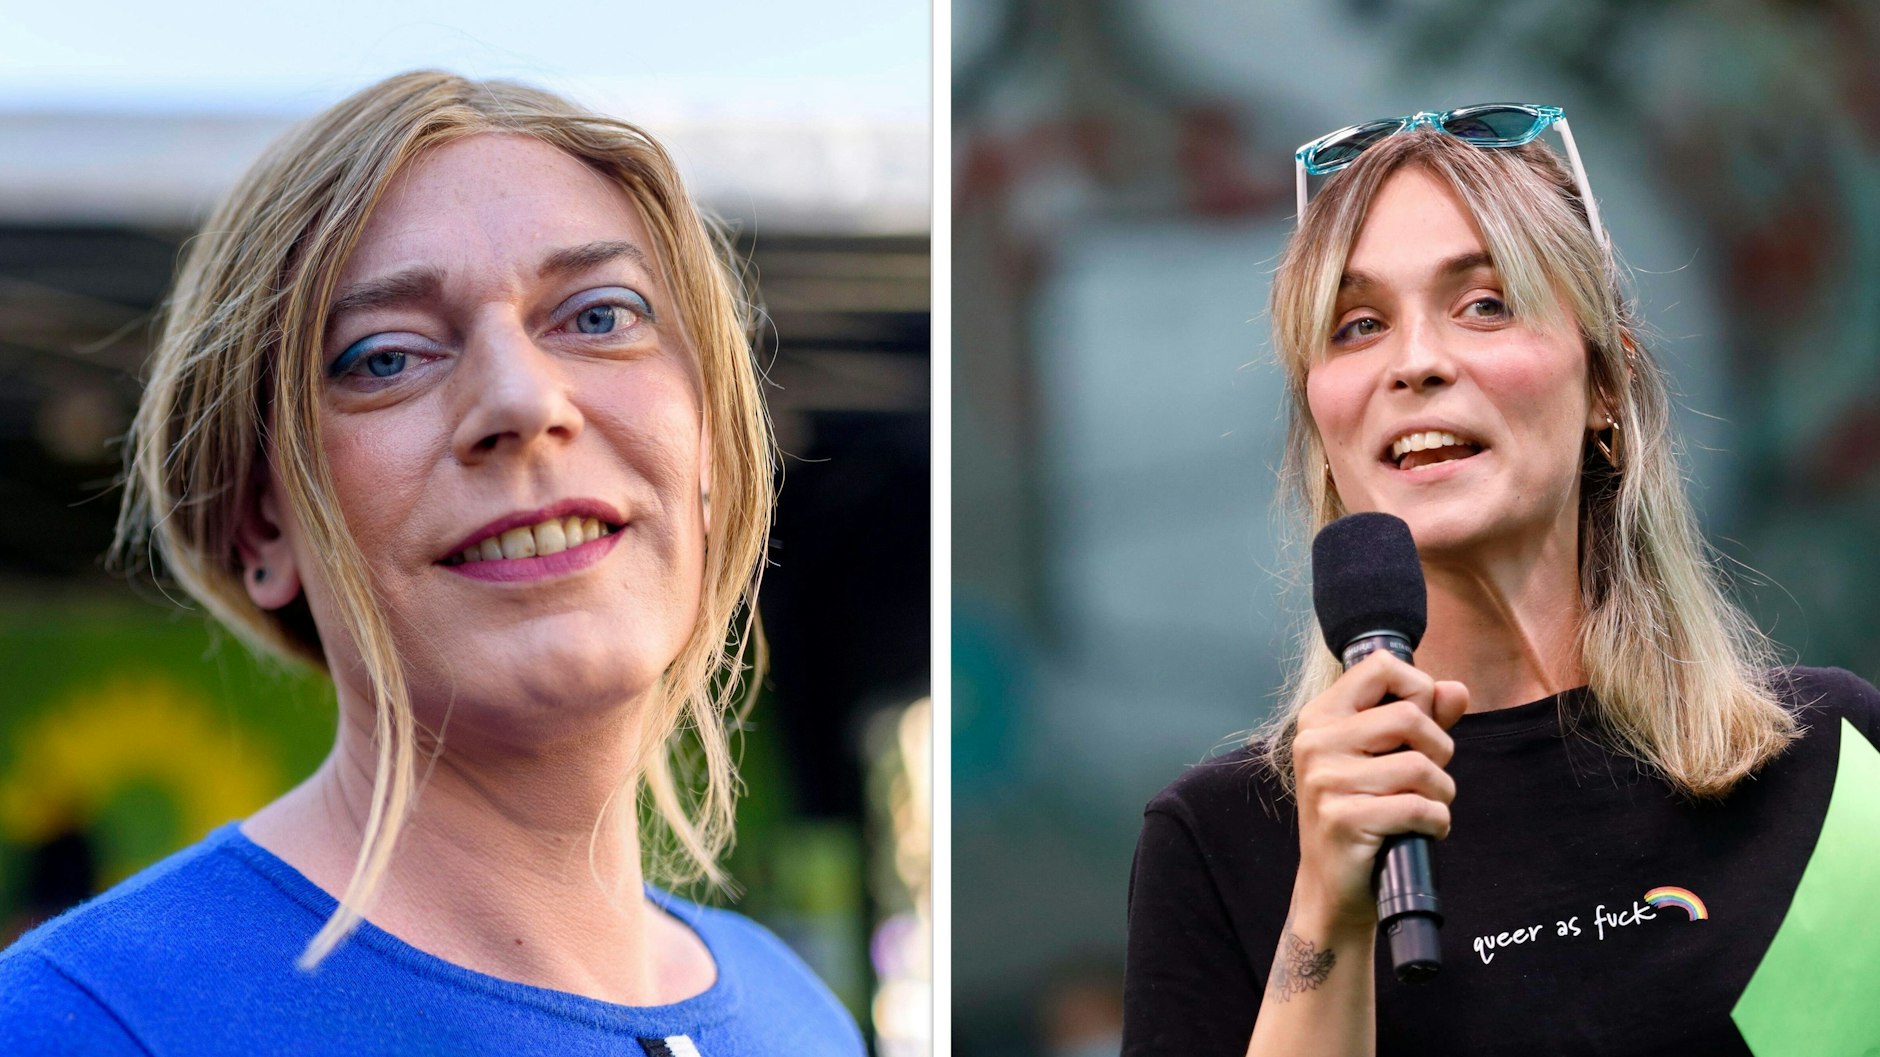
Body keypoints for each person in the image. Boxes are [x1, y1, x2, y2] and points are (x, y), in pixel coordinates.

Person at [0, 71, 863, 1056]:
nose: (522, 401)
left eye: (599, 315)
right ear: (259, 525)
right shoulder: (82, 1022)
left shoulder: (800, 1015)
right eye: (385, 356)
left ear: (708, 443)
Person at [1120, 105, 1880, 1056]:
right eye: (1357, 325)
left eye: (1484, 303)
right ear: (1322, 429)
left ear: (1606, 383)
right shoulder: (1221, 841)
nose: (1418, 363)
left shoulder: (1839, 764)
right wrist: (1326, 905)